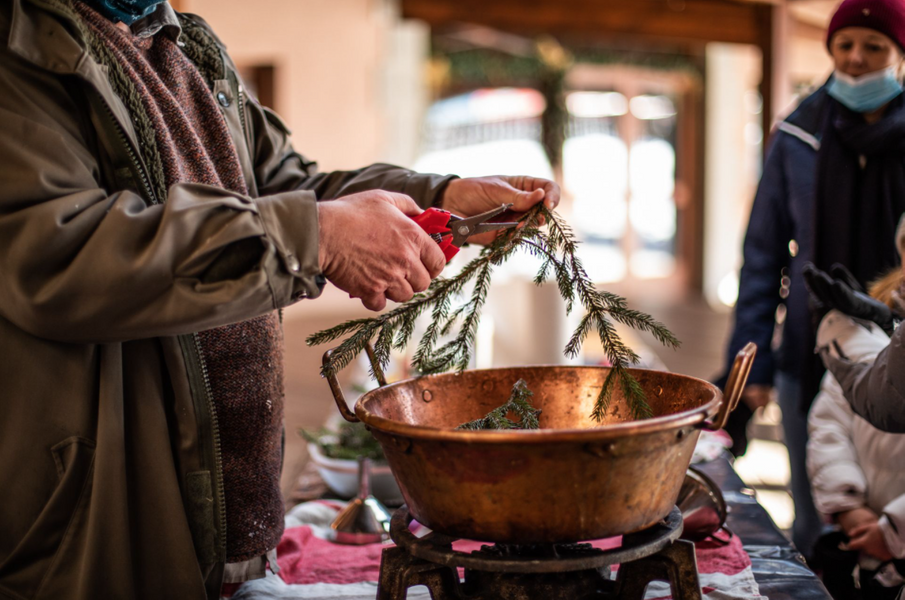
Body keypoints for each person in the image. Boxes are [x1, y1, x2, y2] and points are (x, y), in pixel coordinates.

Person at [0, 1, 560, 599]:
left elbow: (285, 186)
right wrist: (317, 236)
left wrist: (441, 196)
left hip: (227, 510)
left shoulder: (181, 41)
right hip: (100, 505)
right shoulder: (21, 45)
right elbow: (61, 257)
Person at [717, 0, 905, 560]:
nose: (855, 58)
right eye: (845, 44)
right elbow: (763, 255)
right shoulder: (797, 133)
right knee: (817, 512)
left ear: (898, 55)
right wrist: (749, 359)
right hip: (809, 343)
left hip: (896, 345)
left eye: (874, 46)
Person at [807, 278, 905, 599]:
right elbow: (829, 427)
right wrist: (847, 504)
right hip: (862, 532)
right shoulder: (873, 325)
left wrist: (894, 531)